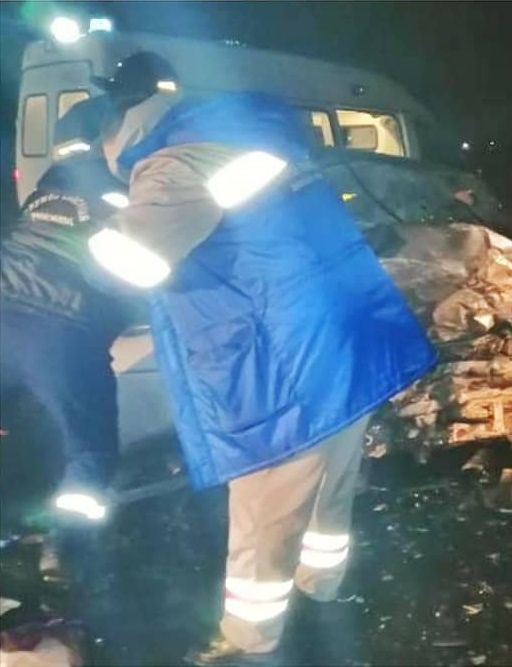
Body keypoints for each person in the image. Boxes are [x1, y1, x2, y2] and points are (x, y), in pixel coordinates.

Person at [89, 52, 436, 664]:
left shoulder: (170, 166)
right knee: (330, 484)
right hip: (339, 345)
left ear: (118, 130)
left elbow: (132, 263)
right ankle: (323, 588)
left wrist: (85, 232)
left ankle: (252, 640)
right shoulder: (244, 134)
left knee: (264, 510)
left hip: (280, 363)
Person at [0, 96, 136, 580]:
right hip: (63, 331)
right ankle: (64, 548)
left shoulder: (50, 181)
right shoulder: (132, 187)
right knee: (90, 450)